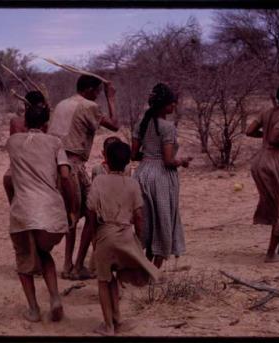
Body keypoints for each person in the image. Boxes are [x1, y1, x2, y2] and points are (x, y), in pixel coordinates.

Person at [76, 140, 160, 336]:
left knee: (104, 281)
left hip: (105, 236)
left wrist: (96, 236)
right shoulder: (132, 184)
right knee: (115, 277)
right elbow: (139, 217)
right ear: (127, 162)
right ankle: (118, 319)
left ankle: (108, 325)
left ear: (106, 159)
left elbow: (90, 212)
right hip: (125, 236)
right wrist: (138, 241)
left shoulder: (98, 181)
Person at [6, 90, 76, 322]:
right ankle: (55, 297)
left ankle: (34, 309)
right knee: (44, 252)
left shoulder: (13, 142)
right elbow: (65, 177)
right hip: (50, 212)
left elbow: (9, 177)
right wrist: (73, 208)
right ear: (47, 123)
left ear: (25, 120)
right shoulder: (56, 143)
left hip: (23, 211)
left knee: (25, 261)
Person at [48, 75, 119, 280]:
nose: (98, 96)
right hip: (73, 166)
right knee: (91, 214)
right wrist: (111, 98)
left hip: (57, 165)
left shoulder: (62, 104)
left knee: (72, 215)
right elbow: (114, 125)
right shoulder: (89, 106)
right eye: (97, 92)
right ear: (89, 90)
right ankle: (77, 265)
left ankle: (69, 264)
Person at [131, 83, 192, 269]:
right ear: (165, 105)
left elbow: (134, 155)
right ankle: (153, 270)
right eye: (172, 103)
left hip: (141, 175)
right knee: (163, 221)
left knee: (146, 222)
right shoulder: (167, 127)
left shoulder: (141, 124)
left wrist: (149, 156)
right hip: (161, 178)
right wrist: (182, 160)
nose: (174, 106)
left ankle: (143, 265)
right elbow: (167, 160)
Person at [246, 80, 279, 263]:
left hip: (260, 163)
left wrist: (267, 134)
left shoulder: (267, 112)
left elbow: (249, 131)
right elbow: (274, 139)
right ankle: (271, 253)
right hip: (274, 164)